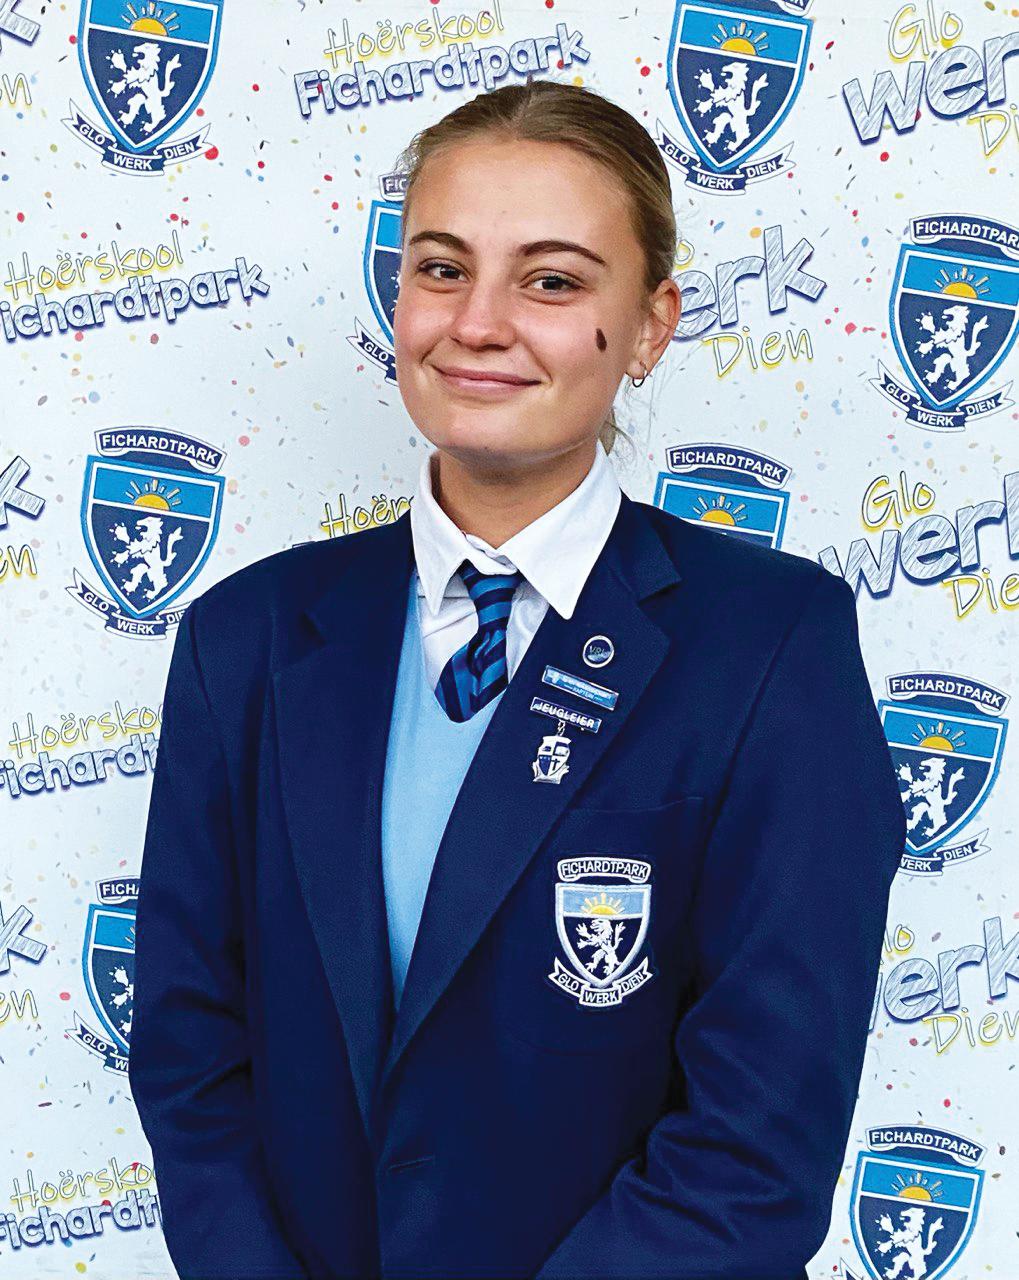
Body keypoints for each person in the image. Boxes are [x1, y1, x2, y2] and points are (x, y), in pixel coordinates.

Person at [128, 80, 907, 1280]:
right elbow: (190, 1052)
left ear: (648, 325)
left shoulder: (769, 645)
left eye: (550, 281)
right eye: (441, 268)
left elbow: (756, 1142)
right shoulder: (246, 638)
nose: (477, 323)